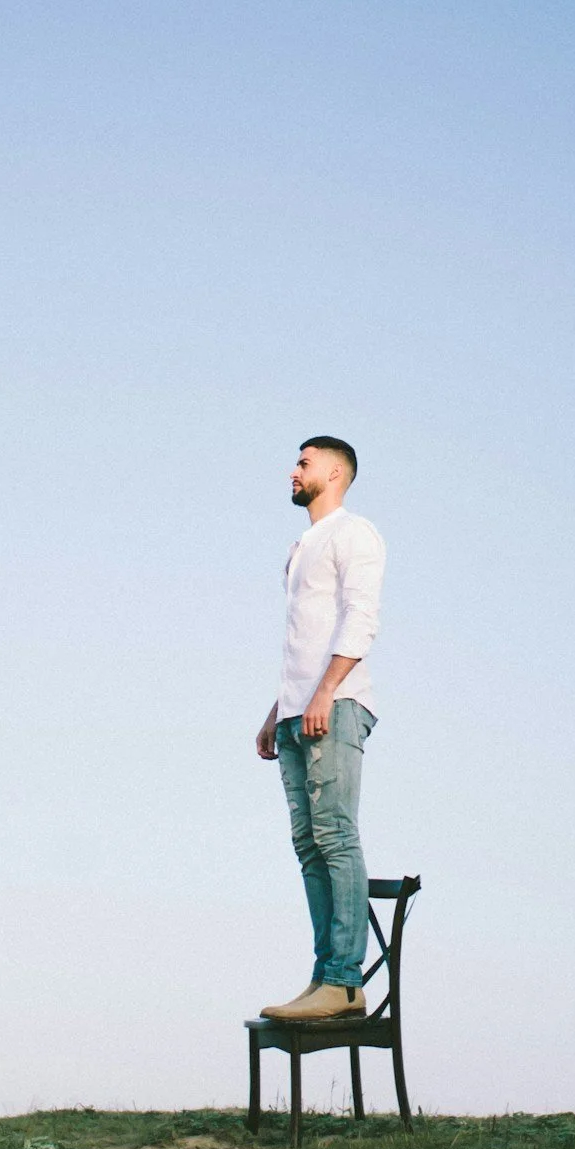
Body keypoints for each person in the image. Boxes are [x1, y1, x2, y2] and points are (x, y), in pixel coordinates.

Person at [255, 437, 387, 1020]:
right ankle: (322, 976)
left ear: (334, 472)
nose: (293, 471)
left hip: (335, 706)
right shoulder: (299, 546)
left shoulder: (354, 533)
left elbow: (362, 617)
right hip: (296, 712)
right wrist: (276, 710)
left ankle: (345, 979)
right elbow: (302, 640)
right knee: (308, 846)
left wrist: (327, 692)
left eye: (304, 463)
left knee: (334, 834)